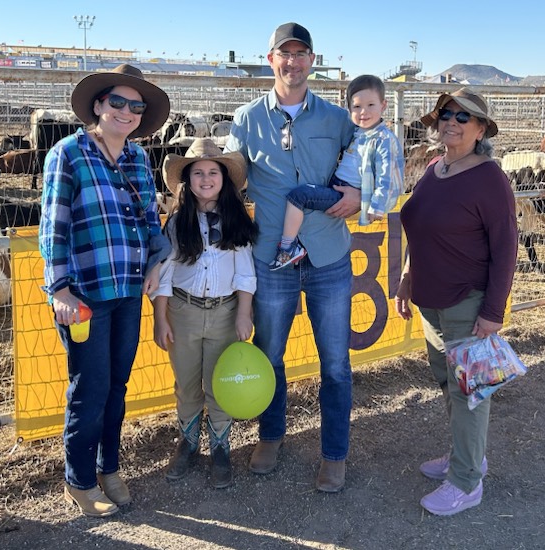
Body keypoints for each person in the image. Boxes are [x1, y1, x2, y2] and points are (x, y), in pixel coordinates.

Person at [224, 22, 357, 492]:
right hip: (271, 258)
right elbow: (227, 180)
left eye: (303, 54)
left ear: (313, 62)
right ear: (271, 59)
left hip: (328, 256)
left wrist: (359, 196)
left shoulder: (339, 119)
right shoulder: (245, 119)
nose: (294, 62)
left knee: (336, 363)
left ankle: (334, 454)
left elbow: (367, 165)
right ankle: (272, 435)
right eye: (286, 53)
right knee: (270, 354)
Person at [39, 64, 171, 517]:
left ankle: (108, 466)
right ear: (98, 105)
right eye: (118, 102)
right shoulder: (68, 154)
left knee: (117, 384)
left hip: (130, 289)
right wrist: (58, 287)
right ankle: (78, 480)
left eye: (136, 106)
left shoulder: (138, 159)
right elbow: (53, 225)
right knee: (89, 387)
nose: (127, 111)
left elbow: (151, 224)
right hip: (84, 296)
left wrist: (156, 265)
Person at [395, 88, 518, 516]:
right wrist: (408, 277)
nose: (451, 121)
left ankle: (467, 481)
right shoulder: (436, 168)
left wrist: (492, 312)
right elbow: (420, 229)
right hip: (432, 300)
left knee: (470, 393)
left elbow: (506, 248)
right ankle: (466, 455)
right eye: (445, 113)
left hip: (467, 301)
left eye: (463, 117)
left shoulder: (490, 179)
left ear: (481, 129)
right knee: (451, 384)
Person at [147, 138, 257, 489]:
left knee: (219, 383)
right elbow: (164, 276)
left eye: (213, 172)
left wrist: (243, 313)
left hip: (225, 313)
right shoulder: (177, 224)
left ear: (224, 179)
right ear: (187, 180)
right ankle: (189, 442)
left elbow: (245, 273)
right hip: (184, 312)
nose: (206, 179)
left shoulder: (237, 222)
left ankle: (220, 447)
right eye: (198, 173)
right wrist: (160, 318)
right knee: (187, 382)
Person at [269, 74, 404, 270]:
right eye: (357, 107)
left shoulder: (383, 139)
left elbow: (387, 175)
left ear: (383, 106)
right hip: (338, 184)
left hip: (344, 190)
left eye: (370, 105)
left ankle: (288, 247)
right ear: (349, 109)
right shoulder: (360, 132)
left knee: (298, 196)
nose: (363, 112)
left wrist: (376, 205)